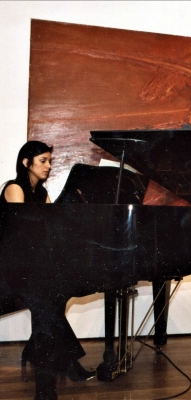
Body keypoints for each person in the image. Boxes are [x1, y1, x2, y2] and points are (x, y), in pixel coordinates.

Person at [0, 141, 95, 399]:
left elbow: (53, 227)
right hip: (7, 268)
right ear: (25, 162)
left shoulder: (42, 194)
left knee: (49, 305)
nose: (48, 166)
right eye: (43, 160)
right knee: (47, 304)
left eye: (50, 161)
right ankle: (65, 365)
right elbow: (22, 233)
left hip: (27, 269)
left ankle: (46, 388)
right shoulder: (13, 189)